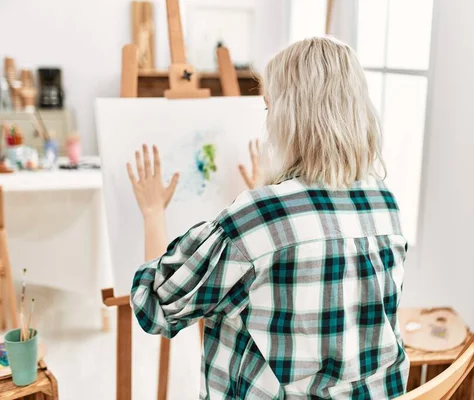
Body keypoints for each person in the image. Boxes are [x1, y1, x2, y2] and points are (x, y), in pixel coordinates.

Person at [127, 37, 409, 399]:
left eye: (267, 108)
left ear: (288, 117)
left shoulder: (256, 218)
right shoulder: (384, 204)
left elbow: (156, 303)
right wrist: (267, 192)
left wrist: (152, 212)